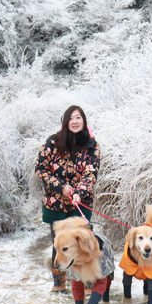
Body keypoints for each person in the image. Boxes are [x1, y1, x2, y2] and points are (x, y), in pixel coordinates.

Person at [35, 105, 100, 292]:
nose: (75, 121)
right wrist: (61, 186)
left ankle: (87, 282)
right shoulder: (52, 143)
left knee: (84, 243)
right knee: (59, 243)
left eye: (78, 117)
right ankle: (59, 282)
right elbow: (41, 169)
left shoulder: (92, 146)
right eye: (71, 118)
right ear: (65, 122)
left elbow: (91, 173)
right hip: (55, 203)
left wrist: (80, 191)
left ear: (84, 121)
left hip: (80, 202)